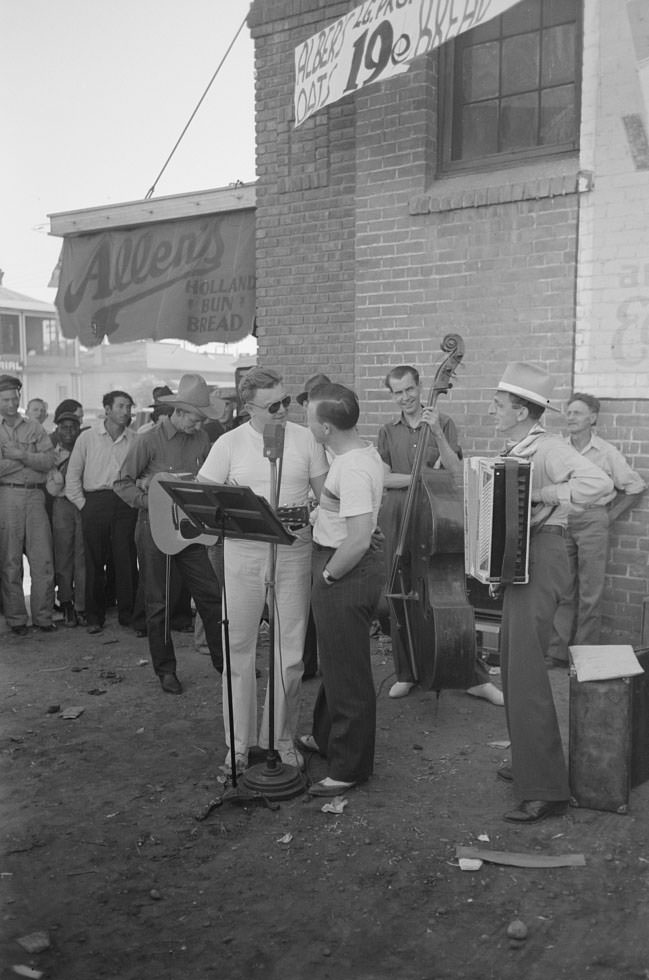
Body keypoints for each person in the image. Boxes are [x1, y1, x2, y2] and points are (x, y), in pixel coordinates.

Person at [488, 363, 613, 823]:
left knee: (524, 670)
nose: (492, 410)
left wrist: (547, 492)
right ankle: (529, 762)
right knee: (512, 662)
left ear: (521, 409)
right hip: (525, 559)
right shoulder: (521, 445)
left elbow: (599, 484)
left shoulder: (550, 447)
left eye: (499, 405)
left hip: (542, 556)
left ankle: (546, 788)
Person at [198, 367, 328, 772]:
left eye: (286, 402)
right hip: (243, 554)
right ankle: (238, 745)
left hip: (293, 551)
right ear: (248, 408)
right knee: (238, 649)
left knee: (290, 652)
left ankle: (280, 738)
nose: (283, 412)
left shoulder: (306, 439)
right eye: (274, 406)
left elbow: (325, 497)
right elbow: (204, 499)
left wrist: (316, 514)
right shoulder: (229, 444)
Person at [377, 365, 503, 705]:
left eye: (409, 390)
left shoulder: (442, 423)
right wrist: (420, 478)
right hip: (399, 516)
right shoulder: (387, 431)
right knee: (400, 596)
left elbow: (454, 469)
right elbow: (383, 479)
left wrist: (437, 435)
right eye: (397, 392)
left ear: (420, 388)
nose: (404, 398)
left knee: (450, 598)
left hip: (436, 519)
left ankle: (473, 677)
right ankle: (407, 673)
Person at [297, 382, 385, 797]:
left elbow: (358, 540)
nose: (305, 423)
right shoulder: (359, 454)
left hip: (344, 569)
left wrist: (329, 577)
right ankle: (328, 738)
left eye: (309, 417)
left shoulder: (351, 467)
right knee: (336, 663)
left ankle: (349, 767)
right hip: (344, 564)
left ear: (327, 427)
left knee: (347, 674)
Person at [114, 375, 225, 694]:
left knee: (210, 596)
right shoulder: (148, 440)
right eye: (196, 417)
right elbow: (121, 483)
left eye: (203, 419)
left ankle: (224, 664)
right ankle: (165, 670)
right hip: (153, 528)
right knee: (158, 602)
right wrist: (150, 502)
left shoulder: (202, 438)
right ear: (179, 412)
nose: (200, 424)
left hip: (191, 529)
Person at [547, 392, 646, 666]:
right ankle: (556, 653)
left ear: (593, 418)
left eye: (577, 413)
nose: (570, 417)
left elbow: (635, 486)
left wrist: (609, 516)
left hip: (593, 522)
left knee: (591, 592)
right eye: (568, 412)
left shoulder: (606, 452)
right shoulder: (559, 449)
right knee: (563, 590)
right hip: (564, 520)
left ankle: (584, 657)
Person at [65, 390, 138, 634]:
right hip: (95, 501)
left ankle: (128, 614)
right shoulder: (88, 438)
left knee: (126, 560)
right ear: (106, 409)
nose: (126, 411)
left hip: (125, 502)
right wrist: (84, 506)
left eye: (128, 406)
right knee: (93, 561)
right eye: (120, 406)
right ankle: (94, 616)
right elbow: (73, 475)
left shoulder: (135, 439)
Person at [0, 374, 56, 635]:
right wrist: (28, 460)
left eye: (15, 398)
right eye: (6, 399)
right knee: (9, 560)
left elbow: (49, 461)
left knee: (42, 559)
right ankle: (16, 619)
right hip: (7, 497)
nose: (11, 404)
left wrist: (20, 454)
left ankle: (44, 617)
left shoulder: (34, 426)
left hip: (35, 496)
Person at [297, 373, 332, 679]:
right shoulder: (300, 438)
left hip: (331, 526)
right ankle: (307, 663)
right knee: (307, 598)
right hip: (306, 525)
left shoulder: (332, 439)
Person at [46, 407, 86, 627]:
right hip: (61, 504)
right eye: (64, 427)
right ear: (57, 429)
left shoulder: (84, 448)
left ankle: (81, 605)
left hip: (81, 503)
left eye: (73, 427)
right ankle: (66, 602)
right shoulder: (51, 452)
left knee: (82, 555)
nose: (69, 431)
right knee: (63, 556)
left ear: (79, 429)